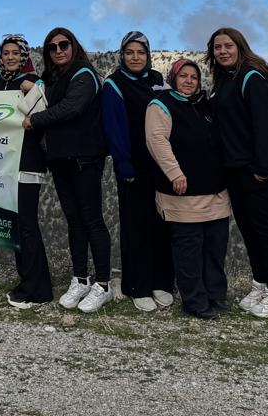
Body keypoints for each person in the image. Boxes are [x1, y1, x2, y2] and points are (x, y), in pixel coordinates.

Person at [26, 27, 112, 313]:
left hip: (85, 158)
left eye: (64, 44)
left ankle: (103, 284)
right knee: (74, 220)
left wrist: (35, 120)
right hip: (61, 158)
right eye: (52, 47)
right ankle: (81, 279)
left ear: (74, 46)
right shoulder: (53, 78)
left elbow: (71, 108)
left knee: (92, 219)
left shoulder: (84, 75)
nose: (59, 50)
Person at [208, 27, 268, 317]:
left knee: (265, 228)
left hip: (254, 168)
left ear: (240, 46)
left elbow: (264, 124)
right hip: (233, 167)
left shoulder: (251, 77)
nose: (223, 51)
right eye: (217, 47)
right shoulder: (224, 79)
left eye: (228, 46)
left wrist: (262, 167)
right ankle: (261, 282)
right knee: (248, 228)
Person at [146, 59, 231, 319]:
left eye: (194, 77)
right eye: (183, 76)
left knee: (215, 248)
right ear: (173, 78)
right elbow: (156, 140)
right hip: (182, 193)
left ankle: (216, 295)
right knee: (189, 252)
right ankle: (195, 301)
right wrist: (175, 172)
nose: (189, 81)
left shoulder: (204, 105)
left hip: (215, 192)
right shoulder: (161, 104)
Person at [101, 30, 173, 311]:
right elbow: (113, 126)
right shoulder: (114, 83)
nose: (135, 57)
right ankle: (137, 285)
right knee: (136, 225)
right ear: (122, 55)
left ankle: (162, 281)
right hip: (133, 165)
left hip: (161, 164)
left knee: (161, 223)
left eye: (140, 52)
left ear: (148, 55)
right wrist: (124, 163)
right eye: (129, 52)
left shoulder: (156, 79)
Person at [0, 35, 49, 309]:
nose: (10, 57)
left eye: (16, 53)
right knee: (17, 225)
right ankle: (27, 282)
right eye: (6, 53)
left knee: (27, 225)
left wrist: (33, 89)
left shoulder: (32, 81)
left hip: (27, 162)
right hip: (3, 164)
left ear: (24, 56)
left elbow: (44, 114)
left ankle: (38, 289)